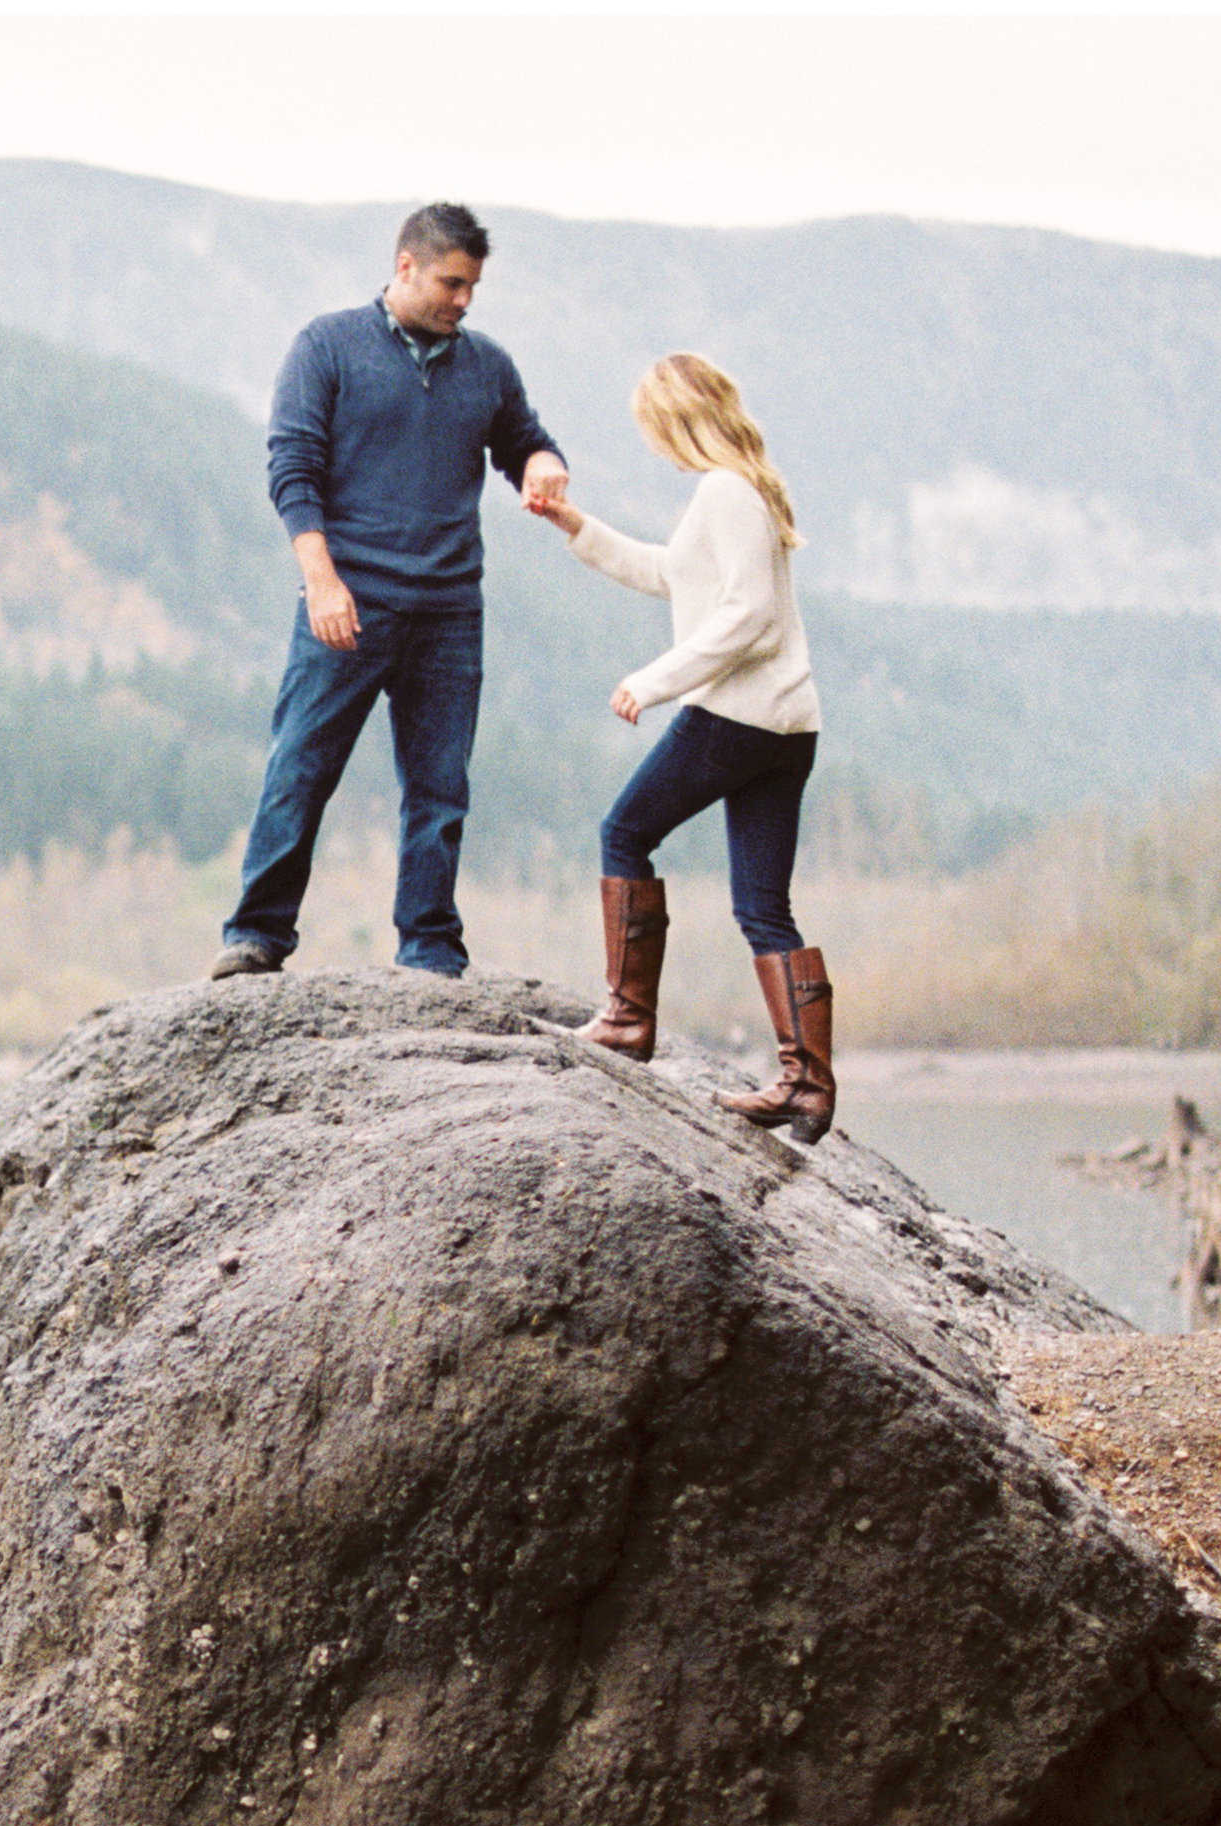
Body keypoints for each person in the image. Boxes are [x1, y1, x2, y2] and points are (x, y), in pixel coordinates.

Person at [210, 203, 569, 982]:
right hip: (347, 600)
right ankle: (256, 935)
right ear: (405, 266)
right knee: (299, 769)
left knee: (440, 790)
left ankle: (429, 950)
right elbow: (291, 468)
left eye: (472, 286)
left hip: (448, 611)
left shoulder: (487, 366)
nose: (463, 300)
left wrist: (541, 464)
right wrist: (322, 582)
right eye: (451, 282)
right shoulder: (327, 346)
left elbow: (522, 441)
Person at [526, 352, 836, 1142]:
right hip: (787, 725)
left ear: (674, 419)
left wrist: (654, 679)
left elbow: (748, 615)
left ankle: (627, 1021)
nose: (653, 446)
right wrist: (574, 526)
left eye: (652, 429)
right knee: (762, 905)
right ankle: (806, 1084)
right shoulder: (744, 489)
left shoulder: (724, 491)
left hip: (733, 717)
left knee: (624, 833)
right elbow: (670, 573)